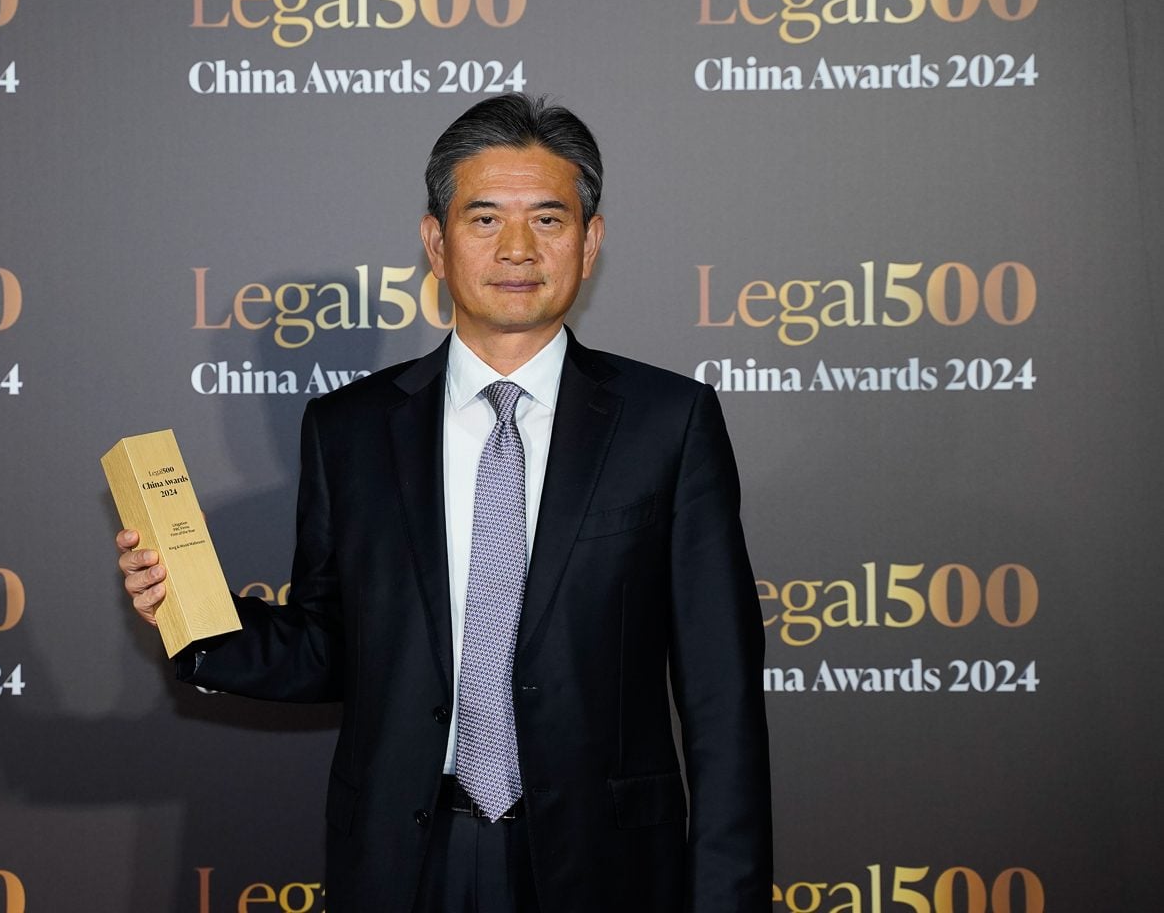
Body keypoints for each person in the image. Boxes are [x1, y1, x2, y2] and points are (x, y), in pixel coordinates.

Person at [118, 93, 771, 911]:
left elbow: (720, 692)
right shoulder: (350, 430)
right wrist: (193, 616)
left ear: (590, 241)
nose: (517, 248)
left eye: (548, 219)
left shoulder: (668, 423)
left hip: (605, 866)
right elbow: (333, 644)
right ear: (436, 241)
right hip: (406, 859)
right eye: (485, 219)